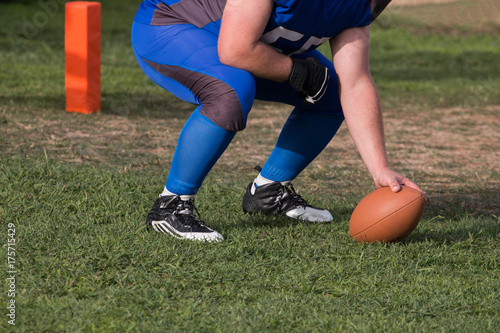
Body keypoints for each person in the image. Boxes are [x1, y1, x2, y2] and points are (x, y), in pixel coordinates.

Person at [131, 0, 423, 242]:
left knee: (332, 91)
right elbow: (235, 49)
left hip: (244, 43)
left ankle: (268, 192)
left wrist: (380, 168)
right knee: (231, 89)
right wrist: (298, 72)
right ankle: (171, 205)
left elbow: (356, 83)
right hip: (169, 26)